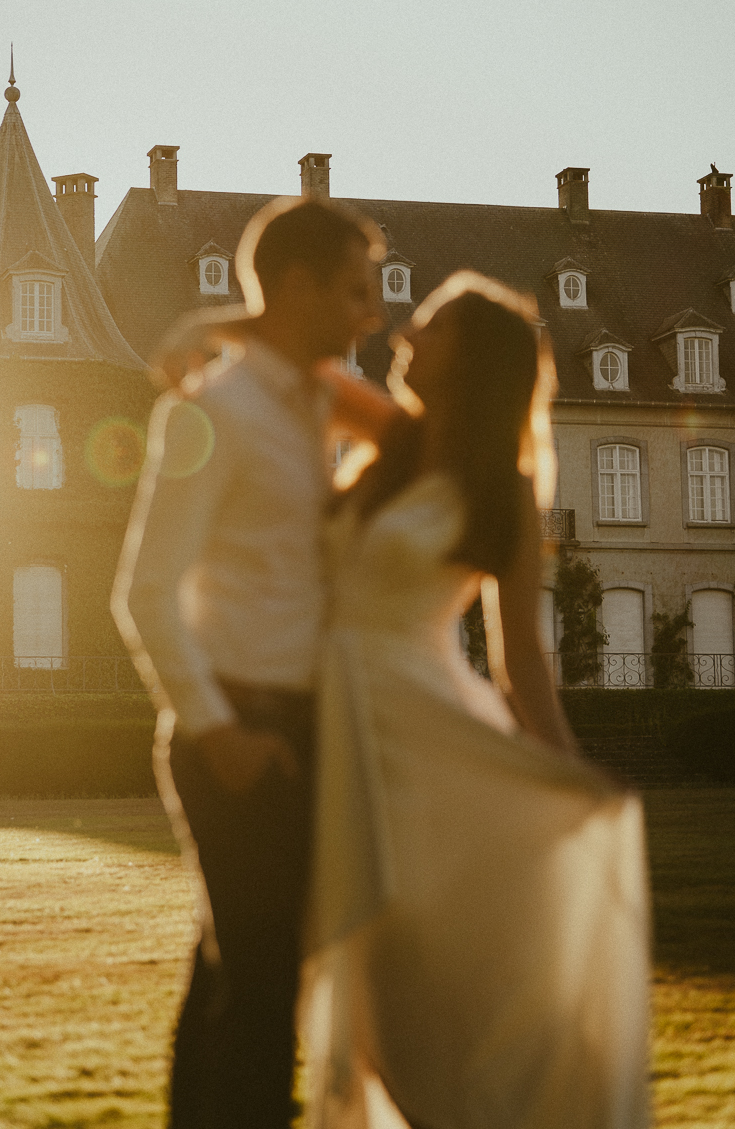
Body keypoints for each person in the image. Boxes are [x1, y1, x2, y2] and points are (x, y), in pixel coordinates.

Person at [301, 272, 652, 1129]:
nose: (402, 333)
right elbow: (293, 368)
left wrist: (568, 772)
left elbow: (520, 654)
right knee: (364, 984)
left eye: (429, 323)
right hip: (334, 722)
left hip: (422, 741)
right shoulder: (393, 443)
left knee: (413, 999)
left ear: (473, 360)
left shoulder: (503, 488)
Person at [112, 195, 386, 1129]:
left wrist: (217, 320)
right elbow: (143, 590)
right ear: (301, 285)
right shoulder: (213, 411)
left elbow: (420, 439)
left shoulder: (312, 397)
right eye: (357, 290)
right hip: (238, 723)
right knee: (258, 990)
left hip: (302, 726)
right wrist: (219, 733)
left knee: (241, 977)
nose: (372, 315)